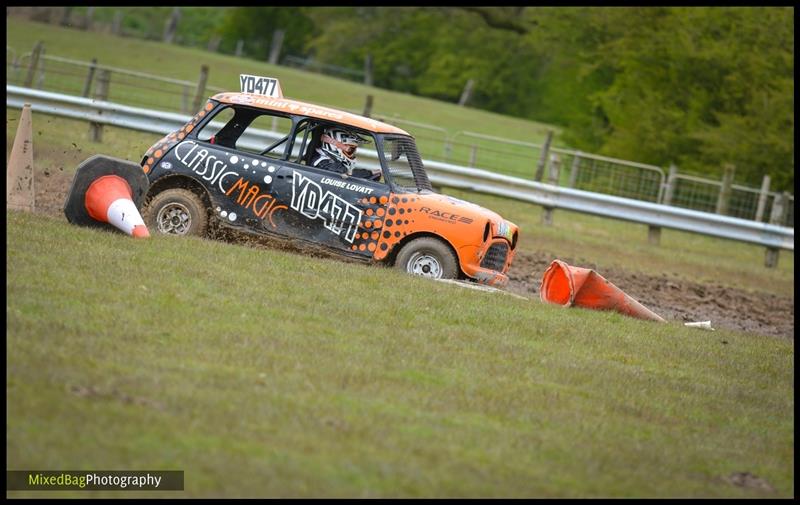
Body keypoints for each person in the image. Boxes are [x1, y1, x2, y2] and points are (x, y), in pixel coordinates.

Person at [310, 127, 380, 181]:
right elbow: (345, 173)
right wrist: (370, 172)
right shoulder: (321, 162)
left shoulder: (332, 161)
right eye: (350, 150)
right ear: (334, 147)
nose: (352, 153)